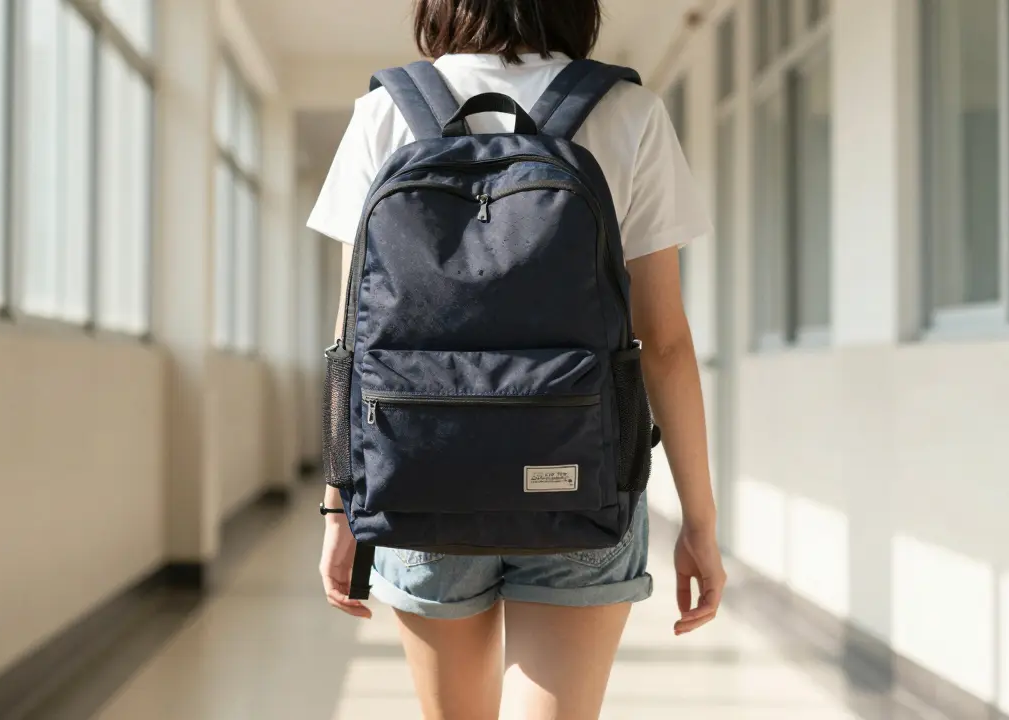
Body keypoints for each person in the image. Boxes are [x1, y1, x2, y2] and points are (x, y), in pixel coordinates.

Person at [307, 1, 725, 717]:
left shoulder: (383, 113)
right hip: (581, 473)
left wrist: (340, 507)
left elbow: (351, 341)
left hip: (420, 476)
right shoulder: (629, 111)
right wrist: (700, 522)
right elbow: (666, 340)